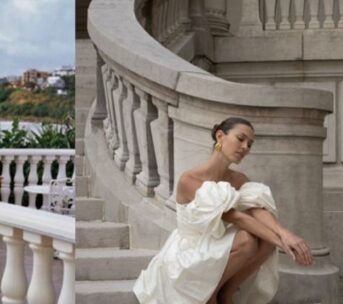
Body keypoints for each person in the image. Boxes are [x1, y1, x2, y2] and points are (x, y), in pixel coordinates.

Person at [134, 116, 313, 304]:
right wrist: (284, 243)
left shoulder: (239, 179)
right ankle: (210, 293)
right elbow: (237, 218)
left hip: (216, 243)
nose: (245, 147)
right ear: (220, 136)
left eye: (250, 144)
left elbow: (258, 210)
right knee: (248, 239)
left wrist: (285, 234)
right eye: (240, 139)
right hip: (192, 247)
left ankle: (225, 291)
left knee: (265, 241)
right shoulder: (190, 180)